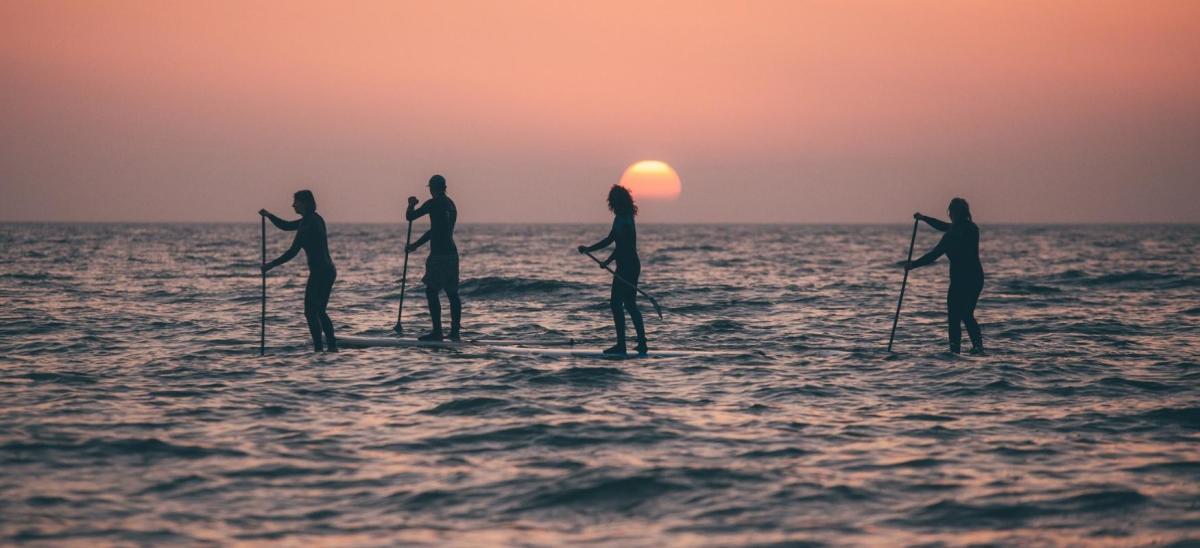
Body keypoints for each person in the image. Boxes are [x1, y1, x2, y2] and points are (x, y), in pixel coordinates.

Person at [260, 190, 338, 352]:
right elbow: (286, 225)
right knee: (320, 311)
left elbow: (293, 251)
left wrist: (271, 265)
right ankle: (331, 347)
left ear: (305, 203)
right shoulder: (314, 219)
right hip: (328, 271)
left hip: (320, 273)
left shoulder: (308, 225)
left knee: (311, 312)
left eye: (296, 202)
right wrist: (269, 215)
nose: (293, 205)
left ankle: (319, 348)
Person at [906, 197, 985, 354]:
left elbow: (933, 255)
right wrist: (924, 218)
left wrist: (913, 265)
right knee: (967, 314)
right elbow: (944, 226)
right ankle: (978, 347)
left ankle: (955, 351)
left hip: (960, 281)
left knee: (955, 317)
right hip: (976, 278)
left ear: (952, 213)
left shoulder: (951, 235)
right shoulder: (972, 228)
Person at [578, 185, 648, 355]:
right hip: (629, 264)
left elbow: (620, 245)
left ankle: (622, 345)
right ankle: (641, 343)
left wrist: (600, 256)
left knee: (617, 303)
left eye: (612, 199)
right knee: (629, 304)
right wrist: (597, 254)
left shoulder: (623, 220)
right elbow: (613, 241)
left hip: (627, 266)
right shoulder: (625, 217)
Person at [406, 174, 461, 341]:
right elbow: (436, 230)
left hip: (439, 255)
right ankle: (455, 332)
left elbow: (410, 217)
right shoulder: (451, 204)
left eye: (430, 188)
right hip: (452, 254)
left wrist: (411, 205)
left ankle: (437, 332)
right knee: (452, 293)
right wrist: (415, 245)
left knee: (431, 291)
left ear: (433, 188)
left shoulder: (434, 203)